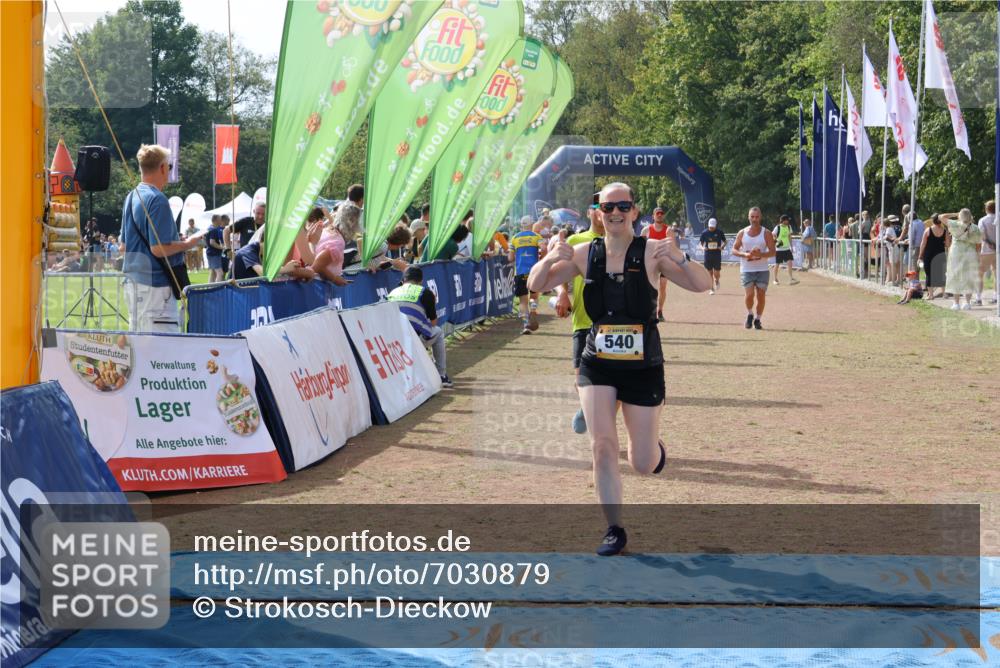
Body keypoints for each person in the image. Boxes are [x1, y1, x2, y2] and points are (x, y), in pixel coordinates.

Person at [527, 182, 712, 556]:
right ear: (597, 211)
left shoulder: (653, 253)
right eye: (607, 207)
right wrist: (548, 257)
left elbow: (704, 284)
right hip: (597, 363)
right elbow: (535, 284)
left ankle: (653, 449)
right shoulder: (583, 254)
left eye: (622, 206)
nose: (614, 213)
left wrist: (678, 256)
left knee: (642, 463)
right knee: (602, 445)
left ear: (634, 211)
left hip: (643, 366)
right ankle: (613, 528)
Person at [119, 144, 204, 332]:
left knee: (139, 342)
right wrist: (187, 243)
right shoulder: (157, 199)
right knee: (162, 348)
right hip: (155, 286)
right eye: (169, 167)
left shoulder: (131, 196)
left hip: (133, 281)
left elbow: (123, 246)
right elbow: (158, 249)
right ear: (163, 168)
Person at [555, 192, 605, 434]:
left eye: (605, 206)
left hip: (614, 324)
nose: (601, 211)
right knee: (581, 380)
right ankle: (588, 409)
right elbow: (558, 272)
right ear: (589, 212)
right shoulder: (577, 240)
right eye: (596, 206)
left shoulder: (625, 240)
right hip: (583, 320)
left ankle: (600, 430)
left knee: (610, 383)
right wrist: (563, 293)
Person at [388, 265, 453, 388]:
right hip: (412, 341)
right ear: (421, 281)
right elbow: (433, 322)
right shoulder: (425, 292)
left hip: (392, 342)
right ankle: (441, 375)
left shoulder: (392, 292)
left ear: (403, 280)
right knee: (438, 332)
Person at [731, 207, 776, 330]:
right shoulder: (742, 233)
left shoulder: (766, 233)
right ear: (748, 217)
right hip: (747, 269)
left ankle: (758, 319)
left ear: (760, 217)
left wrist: (760, 255)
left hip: (762, 269)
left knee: (761, 295)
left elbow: (773, 252)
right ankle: (750, 313)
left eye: (757, 217)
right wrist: (744, 254)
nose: (754, 219)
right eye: (752, 217)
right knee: (749, 295)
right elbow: (734, 249)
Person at [509, 215, 544, 334]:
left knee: (523, 301)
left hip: (520, 272)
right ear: (531, 224)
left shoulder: (514, 238)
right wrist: (542, 259)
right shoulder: (537, 236)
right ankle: (533, 310)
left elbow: (510, 257)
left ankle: (525, 325)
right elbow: (544, 248)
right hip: (534, 272)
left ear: (521, 225)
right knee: (533, 296)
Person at [942, 209, 982, 310]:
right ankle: (967, 303)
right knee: (968, 277)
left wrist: (955, 214)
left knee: (956, 276)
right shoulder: (975, 228)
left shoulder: (955, 224)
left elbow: (940, 217)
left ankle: (956, 303)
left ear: (960, 216)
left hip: (956, 253)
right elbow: (978, 244)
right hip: (970, 253)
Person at [310, 206, 353, 286]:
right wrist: (334, 279)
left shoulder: (330, 234)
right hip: (315, 284)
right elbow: (315, 267)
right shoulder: (337, 243)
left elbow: (316, 265)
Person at [642, 206, 671, 319]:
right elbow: (641, 247)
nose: (659, 215)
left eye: (661, 213)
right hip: (651, 262)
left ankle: (660, 311)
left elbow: (671, 247)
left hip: (664, 262)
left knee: (662, 286)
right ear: (653, 216)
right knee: (650, 287)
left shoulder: (668, 230)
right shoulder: (646, 230)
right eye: (657, 213)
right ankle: (650, 310)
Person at [918, 213, 949, 300]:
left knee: (929, 274)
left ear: (933, 221)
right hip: (940, 253)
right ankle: (944, 294)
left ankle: (931, 295)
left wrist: (920, 256)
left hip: (929, 254)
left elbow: (923, 244)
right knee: (941, 274)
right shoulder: (945, 231)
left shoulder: (928, 230)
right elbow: (947, 244)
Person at [698, 217, 726, 293]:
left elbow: (725, 241)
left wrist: (722, 247)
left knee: (717, 273)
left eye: (713, 227)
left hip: (717, 255)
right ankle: (711, 288)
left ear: (716, 225)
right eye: (710, 227)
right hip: (708, 255)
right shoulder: (704, 233)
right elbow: (700, 244)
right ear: (708, 225)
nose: (711, 228)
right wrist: (703, 248)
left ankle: (717, 280)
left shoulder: (720, 232)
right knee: (709, 272)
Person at [976, 200, 996, 305]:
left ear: (986, 209)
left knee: (980, 274)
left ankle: (978, 298)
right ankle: (996, 296)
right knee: (997, 274)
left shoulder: (982, 220)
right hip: (998, 250)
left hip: (987, 250)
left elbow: (981, 236)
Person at [771, 214, 798, 285]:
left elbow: (789, 237)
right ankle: (775, 279)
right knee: (777, 264)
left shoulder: (789, 227)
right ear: (783, 220)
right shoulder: (777, 227)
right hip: (779, 249)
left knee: (790, 263)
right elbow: (773, 235)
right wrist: (777, 241)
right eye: (787, 220)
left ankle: (791, 278)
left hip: (787, 249)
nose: (788, 221)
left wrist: (791, 247)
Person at [205, 214, 227, 283]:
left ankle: (210, 288)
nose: (221, 221)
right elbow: (212, 242)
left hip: (210, 253)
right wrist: (222, 247)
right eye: (220, 219)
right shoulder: (214, 230)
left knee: (213, 273)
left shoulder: (209, 228)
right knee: (220, 273)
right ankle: (218, 289)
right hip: (214, 254)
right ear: (216, 220)